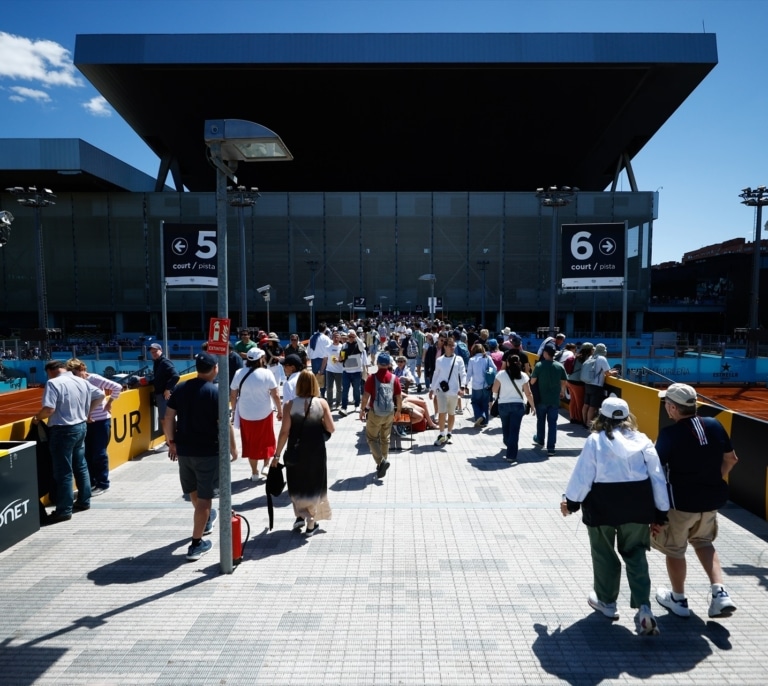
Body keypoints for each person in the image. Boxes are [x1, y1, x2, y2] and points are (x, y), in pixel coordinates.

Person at [561, 397, 669, 636]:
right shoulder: (642, 440)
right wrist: (661, 513)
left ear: (601, 417)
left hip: (602, 506)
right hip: (637, 506)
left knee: (604, 554)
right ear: (627, 417)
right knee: (636, 554)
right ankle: (644, 607)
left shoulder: (595, 441)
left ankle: (607, 603)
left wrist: (571, 503)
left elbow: (583, 476)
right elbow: (657, 477)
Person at [651, 383, 739, 619]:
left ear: (673, 408)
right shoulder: (715, 424)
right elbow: (732, 459)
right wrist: (712, 479)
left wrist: (653, 510)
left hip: (680, 504)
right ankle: (720, 593)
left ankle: (678, 600)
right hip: (710, 501)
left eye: (666, 404)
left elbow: (655, 471)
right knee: (703, 542)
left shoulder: (669, 434)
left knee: (675, 550)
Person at [165, 352, 238, 561]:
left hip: (185, 451)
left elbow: (168, 417)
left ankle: (204, 521)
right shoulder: (215, 393)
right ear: (215, 368)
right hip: (207, 452)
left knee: (194, 491)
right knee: (206, 499)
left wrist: (172, 442)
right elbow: (224, 424)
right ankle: (196, 544)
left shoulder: (180, 388)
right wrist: (233, 448)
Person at [33, 360, 106, 524]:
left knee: (63, 471)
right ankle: (84, 501)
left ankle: (64, 510)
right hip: (80, 426)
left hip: (62, 430)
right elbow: (100, 395)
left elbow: (49, 409)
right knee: (81, 465)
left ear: (51, 371)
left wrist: (37, 418)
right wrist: (87, 413)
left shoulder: (53, 383)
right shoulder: (81, 381)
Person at [274, 370, 335, 536]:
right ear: (315, 384)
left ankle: (300, 516)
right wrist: (319, 421)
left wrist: (277, 455)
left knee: (297, 483)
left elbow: (284, 432)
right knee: (314, 484)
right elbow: (331, 428)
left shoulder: (289, 405)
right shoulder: (322, 404)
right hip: (316, 452)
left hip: (296, 451)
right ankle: (311, 523)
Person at [66, 358, 122, 495]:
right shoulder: (74, 382)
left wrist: (109, 402)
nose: (73, 375)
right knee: (87, 454)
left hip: (101, 421)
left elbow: (117, 387)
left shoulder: (95, 378)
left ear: (82, 369)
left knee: (99, 453)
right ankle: (91, 483)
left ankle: (103, 484)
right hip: (84, 422)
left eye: (74, 372)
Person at [230, 348, 282, 481]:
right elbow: (275, 395)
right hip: (264, 412)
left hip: (245, 413)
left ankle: (254, 473)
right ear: (260, 359)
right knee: (267, 440)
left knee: (250, 442)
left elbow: (233, 395)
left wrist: (234, 411)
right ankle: (266, 465)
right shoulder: (267, 373)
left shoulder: (239, 373)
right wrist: (280, 410)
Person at [359, 352, 403, 479]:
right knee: (385, 438)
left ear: (377, 363)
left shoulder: (372, 378)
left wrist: (362, 410)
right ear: (389, 364)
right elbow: (398, 397)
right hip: (389, 412)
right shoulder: (394, 378)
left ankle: (381, 462)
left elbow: (365, 397)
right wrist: (398, 411)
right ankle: (382, 463)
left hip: (375, 413)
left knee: (371, 438)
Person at [491, 354, 535, 462]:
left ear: (508, 363)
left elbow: (494, 390)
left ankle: (508, 443)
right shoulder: (523, 375)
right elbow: (528, 393)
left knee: (505, 428)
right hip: (518, 405)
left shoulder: (501, 374)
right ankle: (511, 455)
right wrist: (533, 406)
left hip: (503, 405)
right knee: (514, 430)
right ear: (519, 363)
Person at [529, 343, 567, 456]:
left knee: (541, 421)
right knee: (553, 424)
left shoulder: (539, 365)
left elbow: (532, 381)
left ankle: (540, 440)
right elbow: (564, 381)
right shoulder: (559, 366)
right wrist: (562, 391)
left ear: (545, 353)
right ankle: (551, 448)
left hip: (541, 399)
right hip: (554, 400)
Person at [429, 337, 466, 447]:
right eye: (450, 345)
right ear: (444, 346)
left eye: (453, 345)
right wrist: (432, 389)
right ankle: (441, 434)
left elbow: (463, 373)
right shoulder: (439, 360)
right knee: (442, 412)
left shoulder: (459, 359)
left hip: (454, 391)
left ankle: (449, 433)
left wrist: (462, 387)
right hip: (441, 390)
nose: (452, 347)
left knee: (451, 413)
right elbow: (436, 374)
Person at [580, 342, 618, 425]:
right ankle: (588, 424)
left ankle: (584, 421)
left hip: (587, 383)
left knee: (586, 404)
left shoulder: (591, 357)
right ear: (604, 350)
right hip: (596, 386)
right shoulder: (602, 358)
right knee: (592, 406)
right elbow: (607, 373)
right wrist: (614, 372)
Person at [150, 343, 179, 428]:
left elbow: (176, 376)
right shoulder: (157, 362)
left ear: (161, 350)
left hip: (165, 395)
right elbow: (159, 378)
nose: (154, 354)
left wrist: (167, 389)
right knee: (166, 419)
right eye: (152, 352)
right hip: (161, 395)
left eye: (155, 351)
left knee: (166, 419)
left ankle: (171, 436)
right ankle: (172, 436)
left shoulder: (165, 362)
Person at [338, 328, 366, 416]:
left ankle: (357, 405)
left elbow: (363, 347)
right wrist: (340, 359)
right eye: (349, 336)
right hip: (346, 371)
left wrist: (356, 337)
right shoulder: (344, 345)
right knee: (345, 390)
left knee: (357, 390)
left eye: (352, 336)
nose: (350, 338)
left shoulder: (359, 344)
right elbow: (341, 357)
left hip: (357, 371)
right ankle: (344, 408)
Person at [466, 342, 495, 428]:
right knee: (485, 403)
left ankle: (480, 415)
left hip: (476, 386)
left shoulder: (472, 360)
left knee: (475, 402)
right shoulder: (488, 358)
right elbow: (494, 368)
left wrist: (465, 384)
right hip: (486, 385)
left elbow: (469, 374)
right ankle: (484, 422)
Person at [565, 343, 592, 425]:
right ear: (589, 350)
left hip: (570, 380)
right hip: (578, 382)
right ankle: (580, 419)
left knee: (573, 400)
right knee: (580, 401)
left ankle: (573, 417)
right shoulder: (586, 358)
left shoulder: (576, 356)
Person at [324, 330, 344, 410]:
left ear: (340, 338)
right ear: (332, 338)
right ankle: (329, 404)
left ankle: (338, 403)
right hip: (329, 370)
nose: (336, 338)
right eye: (334, 337)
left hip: (340, 371)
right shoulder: (327, 347)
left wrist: (338, 359)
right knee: (329, 388)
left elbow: (343, 358)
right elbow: (325, 359)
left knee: (339, 388)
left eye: (337, 337)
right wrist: (321, 370)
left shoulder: (342, 347)